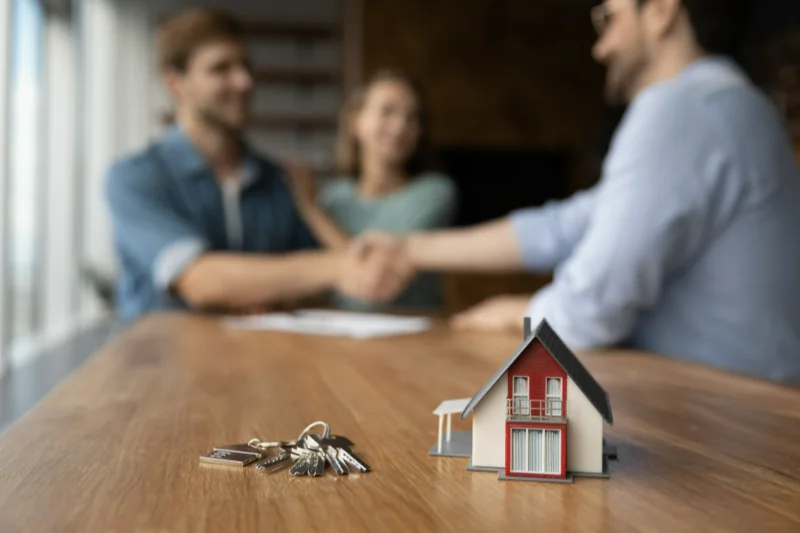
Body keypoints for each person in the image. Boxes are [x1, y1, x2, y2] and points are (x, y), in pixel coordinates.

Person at [355, 0, 800, 385]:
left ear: (662, 11)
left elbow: (596, 304)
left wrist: (525, 310)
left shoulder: (683, 107)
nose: (600, 46)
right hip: (737, 404)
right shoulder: (724, 103)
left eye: (609, 17)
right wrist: (409, 249)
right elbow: (567, 225)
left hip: (739, 423)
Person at [105, 8, 412, 321]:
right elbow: (199, 280)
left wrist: (273, 289)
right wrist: (334, 268)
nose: (244, 81)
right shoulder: (135, 179)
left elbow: (316, 288)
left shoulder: (280, 180)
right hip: (160, 365)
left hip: (262, 362)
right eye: (221, 69)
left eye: (246, 66)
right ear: (175, 84)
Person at [283, 70, 457, 311]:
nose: (400, 126)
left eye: (412, 117)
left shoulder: (435, 193)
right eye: (388, 111)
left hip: (415, 336)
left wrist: (309, 208)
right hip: (340, 331)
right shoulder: (334, 197)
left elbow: (374, 270)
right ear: (355, 121)